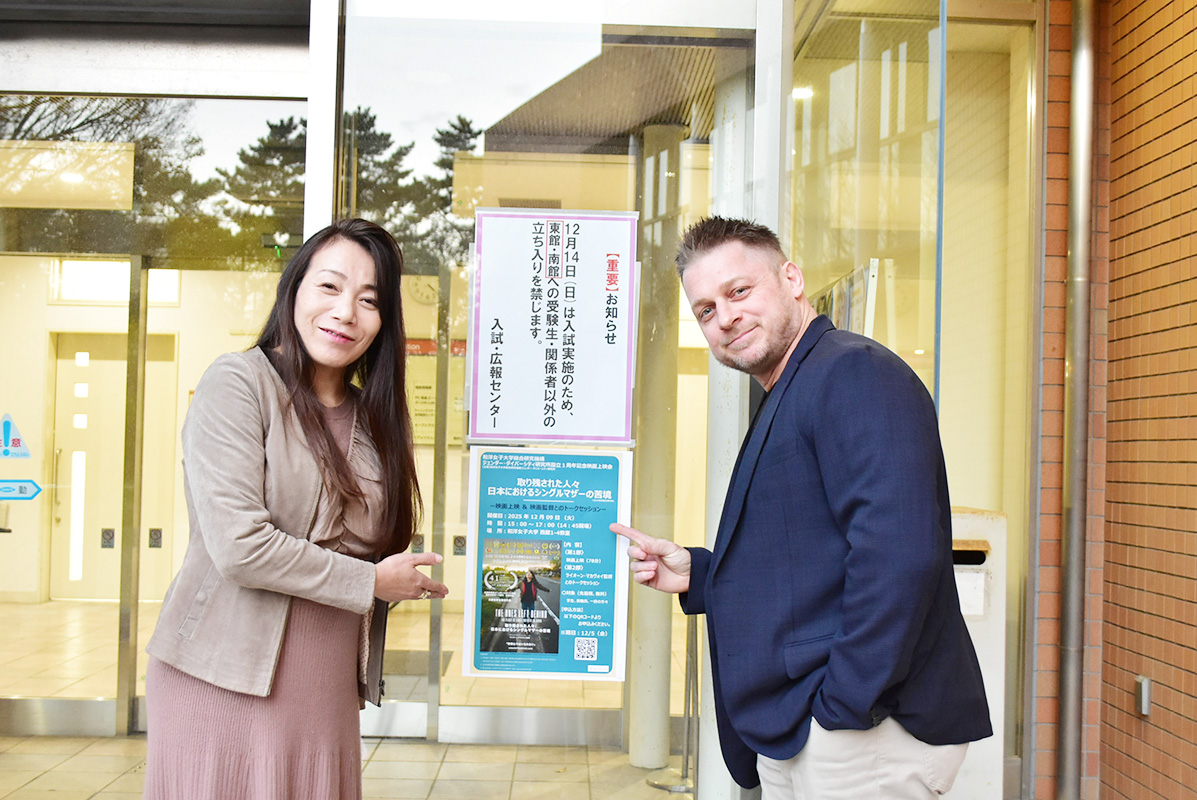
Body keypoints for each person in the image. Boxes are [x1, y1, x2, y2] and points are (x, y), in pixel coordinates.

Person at [611, 217, 991, 798]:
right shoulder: (795, 384)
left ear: (791, 279)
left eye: (739, 291)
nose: (725, 317)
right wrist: (700, 574)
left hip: (859, 733)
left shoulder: (854, 372)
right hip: (803, 730)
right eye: (706, 310)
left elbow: (899, 557)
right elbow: (808, 554)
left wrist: (842, 705)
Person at [143, 218, 448, 799]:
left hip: (324, 690)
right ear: (294, 289)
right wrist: (371, 581)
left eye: (369, 300)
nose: (345, 312)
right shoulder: (237, 383)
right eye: (329, 286)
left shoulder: (376, 417)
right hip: (220, 681)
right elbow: (240, 547)